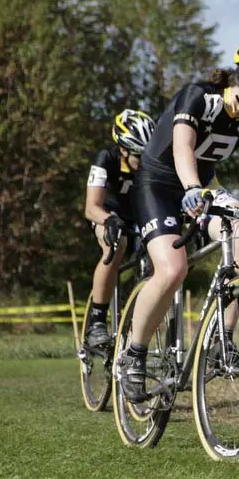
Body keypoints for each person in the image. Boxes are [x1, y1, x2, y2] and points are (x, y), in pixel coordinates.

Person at [116, 40, 239, 402]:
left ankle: (223, 340)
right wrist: (191, 187)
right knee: (173, 270)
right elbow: (182, 147)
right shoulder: (200, 96)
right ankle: (134, 354)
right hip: (158, 183)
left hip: (202, 186)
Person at [82, 109, 154, 349]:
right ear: (123, 149)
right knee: (116, 243)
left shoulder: (150, 162)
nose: (144, 162)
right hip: (108, 215)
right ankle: (98, 322)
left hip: (140, 217)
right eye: (138, 156)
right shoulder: (107, 159)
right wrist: (109, 221)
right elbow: (91, 207)